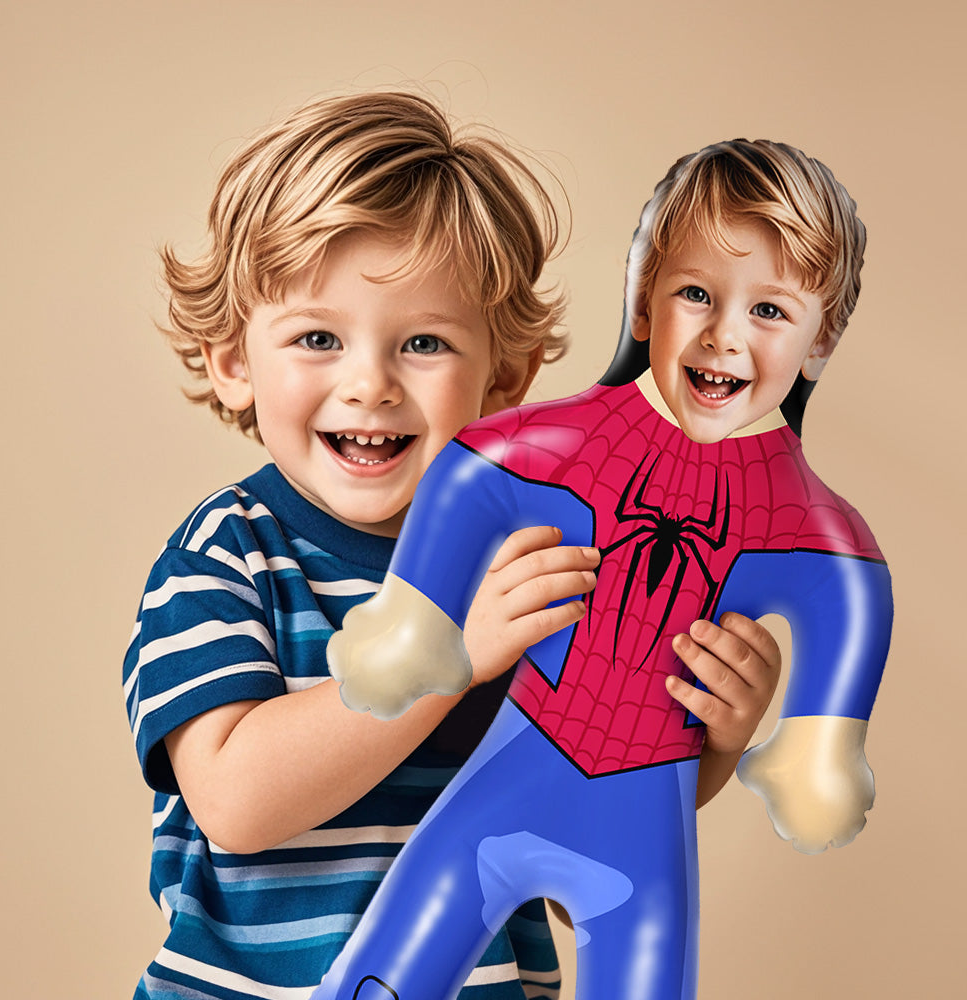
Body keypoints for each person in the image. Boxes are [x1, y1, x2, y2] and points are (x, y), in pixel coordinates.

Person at [123, 96, 782, 1000]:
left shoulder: (534, 568)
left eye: (424, 343)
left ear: (503, 378)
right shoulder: (228, 554)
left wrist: (714, 740)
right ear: (234, 361)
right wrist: (449, 658)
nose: (370, 384)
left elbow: (582, 841)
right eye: (318, 337)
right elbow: (238, 803)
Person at [321, 139, 892, 999]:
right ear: (642, 300)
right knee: (384, 977)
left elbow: (853, 589)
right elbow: (471, 470)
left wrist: (818, 744)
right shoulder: (572, 443)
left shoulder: (805, 521)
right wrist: (415, 625)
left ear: (823, 340)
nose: (724, 336)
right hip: (515, 765)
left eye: (770, 310)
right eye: (695, 294)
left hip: (645, 812)